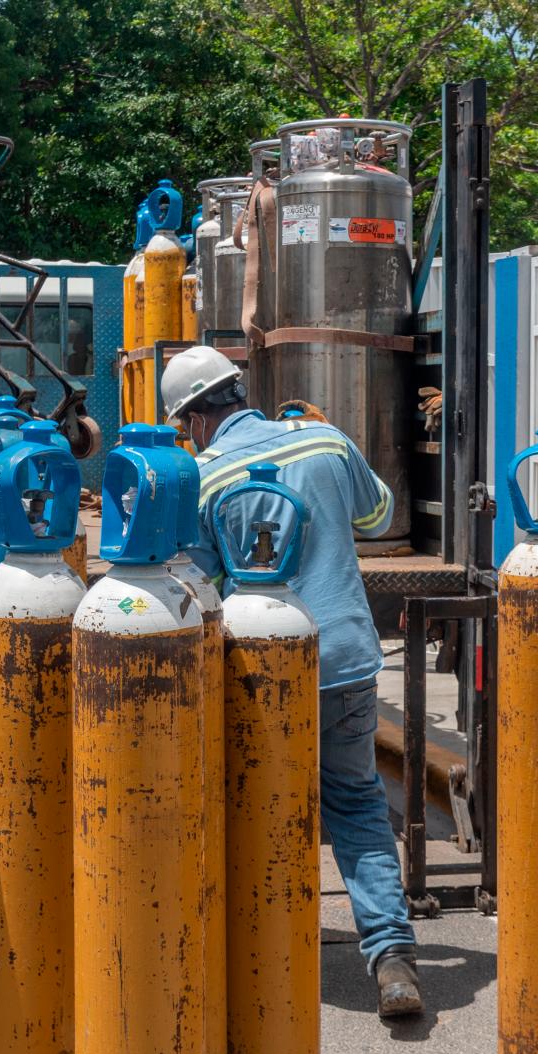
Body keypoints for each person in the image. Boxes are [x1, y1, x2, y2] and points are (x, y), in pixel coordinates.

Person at [166, 345, 421, 1019]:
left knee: (259, 807)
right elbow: (378, 517)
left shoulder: (205, 477)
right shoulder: (325, 440)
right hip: (347, 657)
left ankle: (265, 957)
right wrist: (331, 441)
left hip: (262, 668)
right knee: (357, 802)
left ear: (194, 418)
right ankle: (392, 957)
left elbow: (201, 580)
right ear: (237, 392)